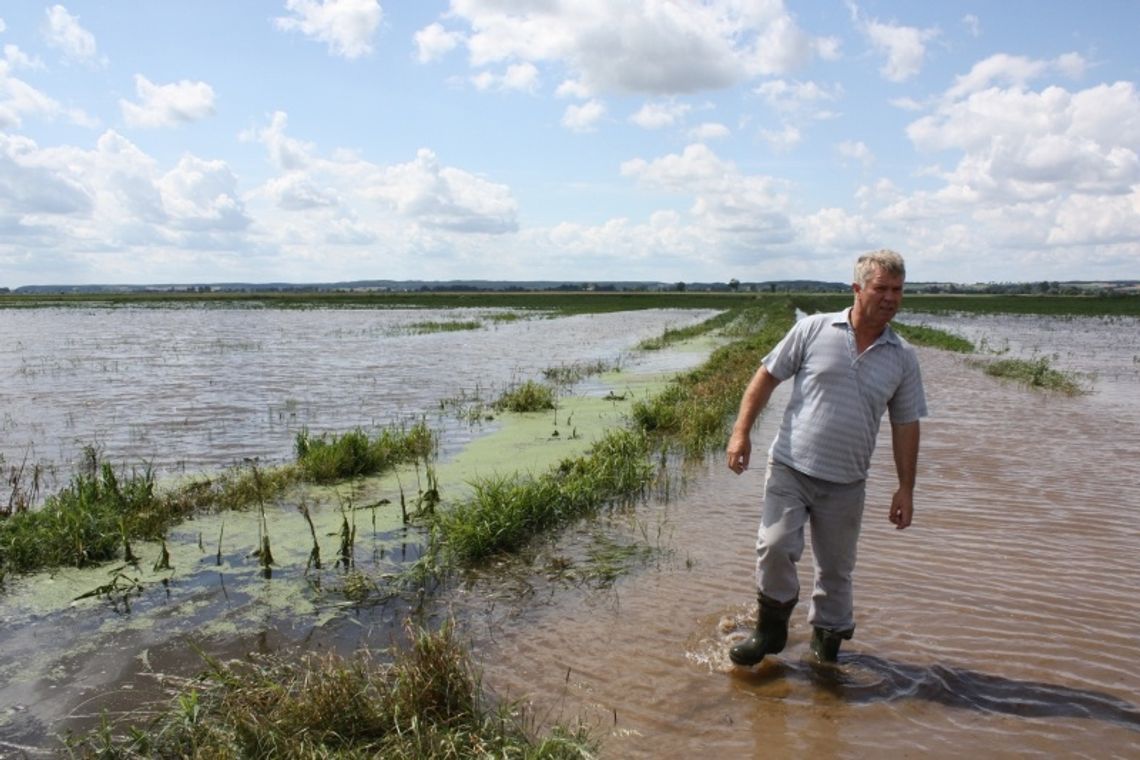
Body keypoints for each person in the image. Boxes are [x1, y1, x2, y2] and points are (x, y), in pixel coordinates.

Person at [725, 249, 927, 666]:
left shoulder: (902, 357)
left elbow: (906, 424)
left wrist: (906, 488)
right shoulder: (814, 329)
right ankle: (770, 631)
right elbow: (766, 376)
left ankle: (826, 651)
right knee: (775, 545)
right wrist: (740, 433)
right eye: (881, 288)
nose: (891, 298)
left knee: (836, 572)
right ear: (857, 289)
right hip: (791, 467)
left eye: (898, 290)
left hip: (847, 481)